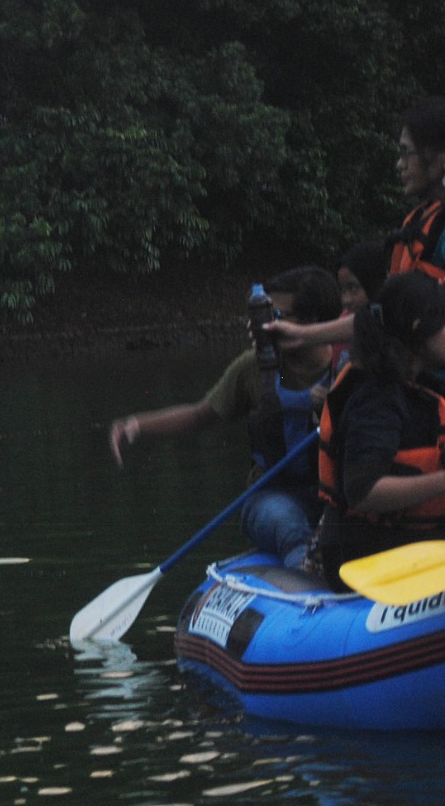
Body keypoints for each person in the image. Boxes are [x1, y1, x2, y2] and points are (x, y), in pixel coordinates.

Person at [109, 266, 343, 567]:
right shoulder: (253, 369)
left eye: (279, 317)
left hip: (336, 495)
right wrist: (136, 426)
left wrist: (338, 405)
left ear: (315, 321)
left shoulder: (350, 369)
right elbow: (200, 415)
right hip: (272, 497)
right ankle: (308, 574)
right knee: (288, 525)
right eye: (265, 316)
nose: (266, 326)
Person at [271, 98, 445, 349]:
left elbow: (399, 317)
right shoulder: (420, 220)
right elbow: (386, 315)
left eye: (407, 153)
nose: (400, 164)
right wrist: (301, 335)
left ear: (440, 158)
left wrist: (303, 335)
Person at [310, 272, 445, 589]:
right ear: (418, 327)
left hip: (417, 543)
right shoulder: (377, 396)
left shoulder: (423, 385)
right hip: (368, 556)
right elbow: (363, 491)